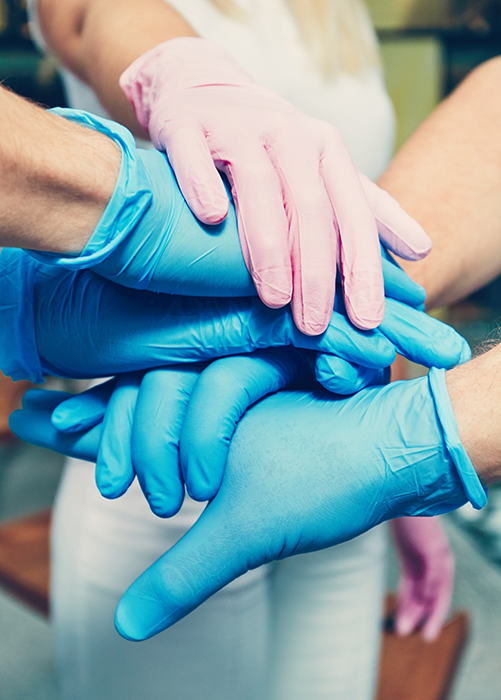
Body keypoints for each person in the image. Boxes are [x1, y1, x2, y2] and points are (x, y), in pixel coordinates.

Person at [10, 56, 501, 650]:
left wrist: (432, 430)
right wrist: (104, 193)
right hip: (164, 446)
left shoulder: (341, 22)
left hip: (333, 422)